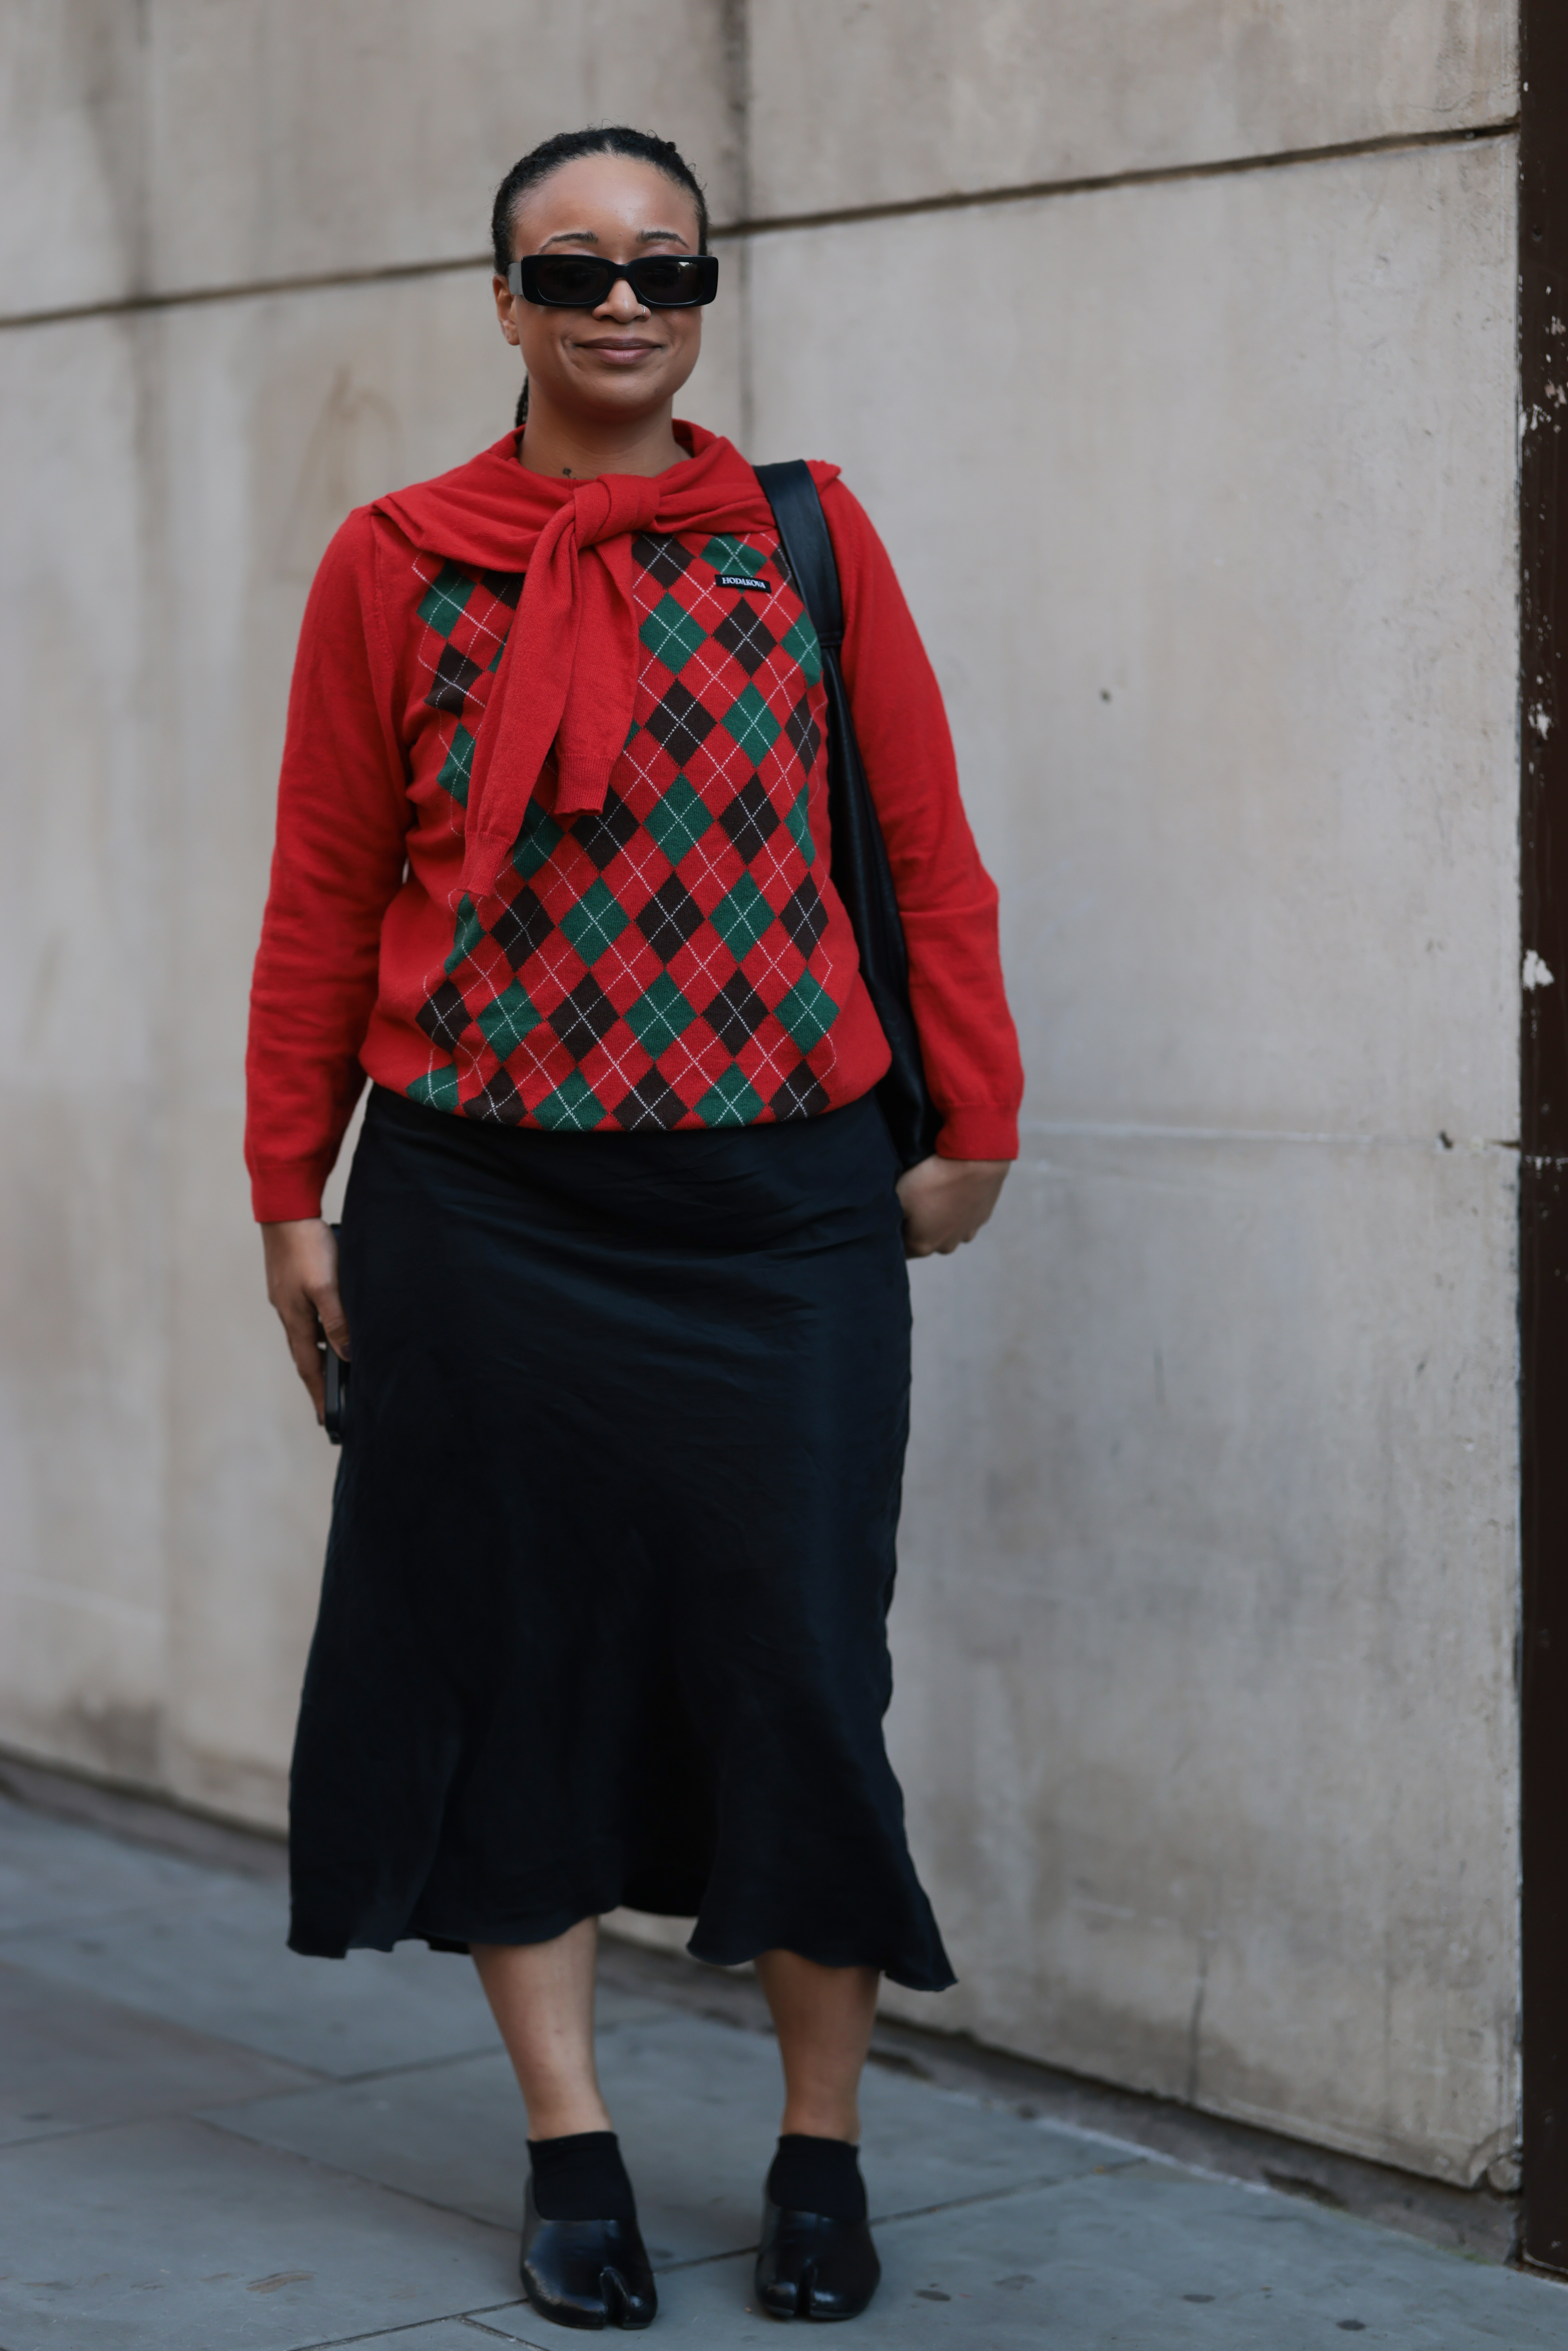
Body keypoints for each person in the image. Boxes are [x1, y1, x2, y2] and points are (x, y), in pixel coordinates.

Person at [246, 124, 1022, 2333]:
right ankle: (568, 2143)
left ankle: (818, 2150)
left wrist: (975, 1111)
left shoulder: (803, 537)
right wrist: (287, 1191)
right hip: (482, 1205)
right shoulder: (392, 565)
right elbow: (322, 899)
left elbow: (924, 842)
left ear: (703, 301)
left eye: (662, 269)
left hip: (777, 1203)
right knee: (518, 1669)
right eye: (569, 267)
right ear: (497, 301)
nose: (619, 301)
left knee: (798, 1659)